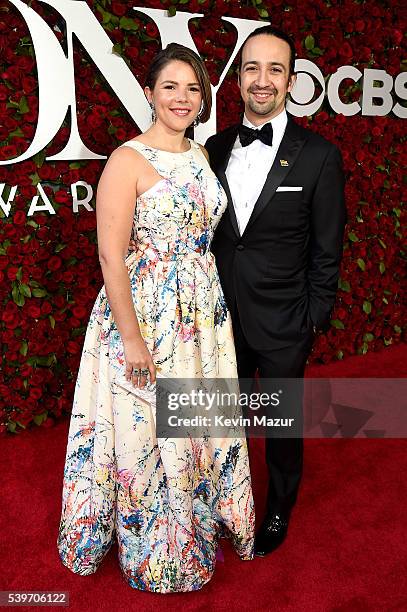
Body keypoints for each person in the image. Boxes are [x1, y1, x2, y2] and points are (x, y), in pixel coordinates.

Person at [57, 43, 255, 593]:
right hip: (145, 319)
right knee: (150, 431)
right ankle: (159, 549)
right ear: (148, 93)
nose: (182, 98)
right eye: (170, 87)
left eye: (193, 88)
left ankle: (202, 523)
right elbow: (109, 257)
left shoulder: (199, 155)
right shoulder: (126, 160)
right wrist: (133, 342)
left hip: (201, 318)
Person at [205, 26, 346, 557]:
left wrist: (313, 317)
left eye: (274, 70)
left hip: (286, 320)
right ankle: (227, 501)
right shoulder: (214, 148)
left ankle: (279, 507)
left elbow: (327, 248)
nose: (261, 81)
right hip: (220, 317)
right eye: (251, 68)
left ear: (291, 79)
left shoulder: (318, 156)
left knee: (280, 425)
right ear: (238, 78)